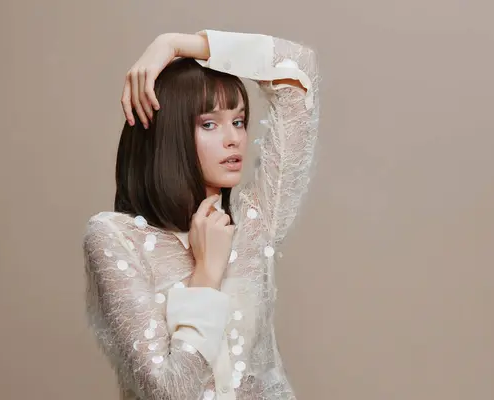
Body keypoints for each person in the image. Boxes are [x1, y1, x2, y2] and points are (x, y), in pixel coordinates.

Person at [83, 29, 320, 400]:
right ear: (167, 134)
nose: (234, 139)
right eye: (209, 124)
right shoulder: (117, 239)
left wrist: (175, 44)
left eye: (239, 121)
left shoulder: (253, 222)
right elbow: (168, 390)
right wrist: (207, 274)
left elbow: (297, 68)